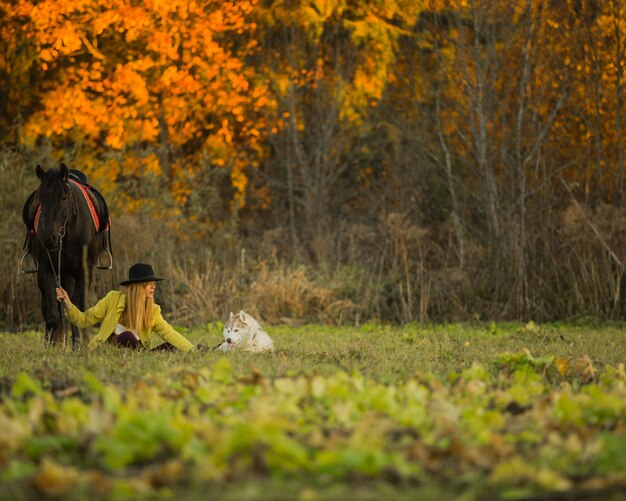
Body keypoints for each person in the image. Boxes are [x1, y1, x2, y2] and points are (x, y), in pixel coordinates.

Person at [55, 262, 195, 352]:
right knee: (127, 336)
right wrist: (68, 302)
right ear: (138, 286)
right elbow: (84, 320)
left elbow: (169, 333)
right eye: (149, 283)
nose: (154, 286)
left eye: (154, 283)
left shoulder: (153, 310)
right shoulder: (113, 299)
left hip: (139, 356)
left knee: (173, 346)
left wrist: (192, 351)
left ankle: (202, 350)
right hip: (110, 353)